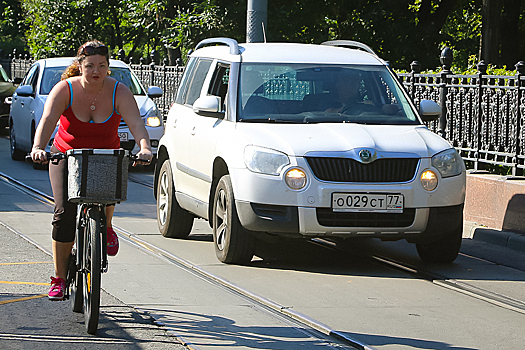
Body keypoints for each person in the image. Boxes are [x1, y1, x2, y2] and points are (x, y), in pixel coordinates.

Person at [30, 40, 153, 300]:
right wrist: (39, 147)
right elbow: (48, 120)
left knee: (109, 189)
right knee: (64, 213)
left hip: (104, 155)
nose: (96, 71)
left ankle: (106, 226)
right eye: (89, 66)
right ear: (80, 66)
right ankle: (59, 278)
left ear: (108, 67)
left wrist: (144, 147)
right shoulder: (65, 89)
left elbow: (136, 123)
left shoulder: (119, 91)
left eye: (102, 66)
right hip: (66, 155)